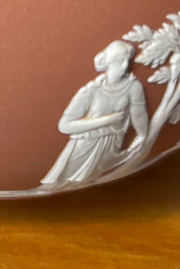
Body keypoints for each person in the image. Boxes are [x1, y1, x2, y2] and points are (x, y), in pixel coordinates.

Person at [40, 39, 149, 190]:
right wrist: (108, 120)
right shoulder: (91, 91)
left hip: (112, 144)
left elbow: (139, 114)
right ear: (109, 62)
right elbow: (65, 126)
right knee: (65, 183)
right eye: (120, 61)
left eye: (127, 61)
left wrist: (143, 136)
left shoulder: (133, 86)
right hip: (85, 145)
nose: (125, 66)